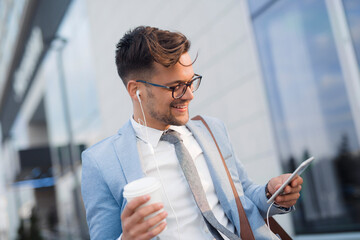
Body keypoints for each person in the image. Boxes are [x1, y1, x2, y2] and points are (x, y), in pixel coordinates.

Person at [81, 26, 303, 240]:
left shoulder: (212, 130)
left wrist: (271, 194)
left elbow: (242, 195)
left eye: (190, 82)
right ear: (135, 89)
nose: (189, 95)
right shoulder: (101, 162)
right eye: (176, 86)